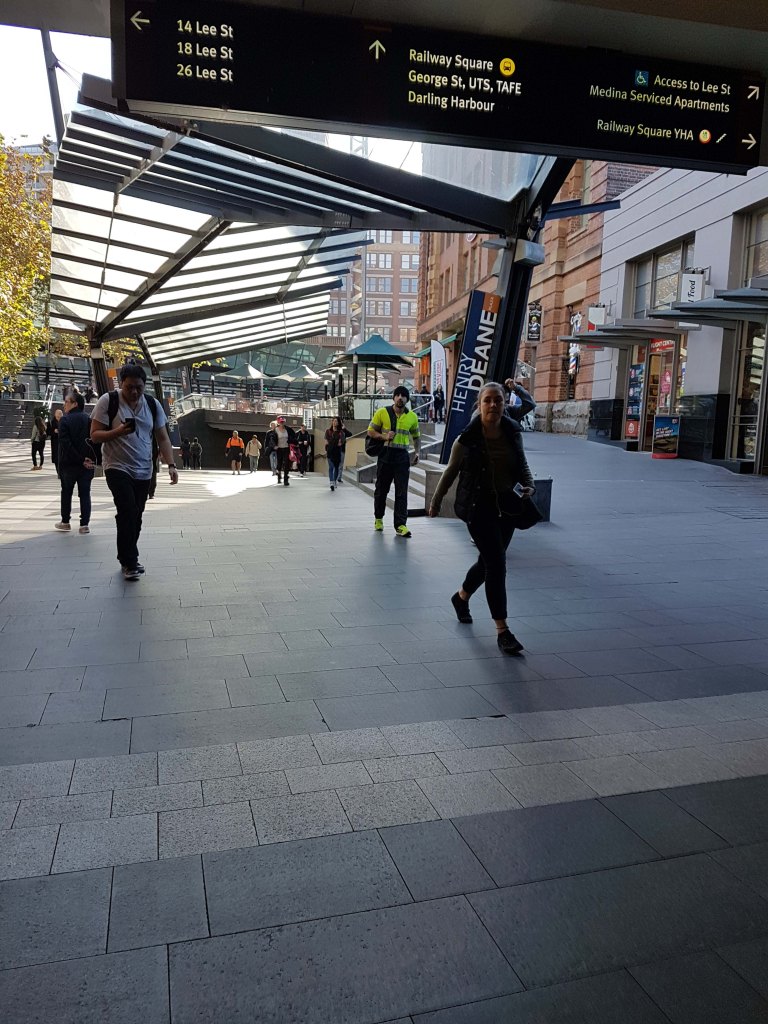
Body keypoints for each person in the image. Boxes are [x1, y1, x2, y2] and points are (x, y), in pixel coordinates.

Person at [428, 381, 535, 655]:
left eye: (498, 400)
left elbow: (522, 464)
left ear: (504, 404)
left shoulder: (512, 432)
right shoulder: (467, 438)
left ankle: (461, 597)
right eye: (488, 400)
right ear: (479, 404)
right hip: (479, 508)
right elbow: (450, 471)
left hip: (508, 507)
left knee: (488, 561)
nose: (493, 405)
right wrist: (436, 502)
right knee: (497, 564)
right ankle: (503, 630)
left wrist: (529, 485)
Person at [90, 364, 178, 581]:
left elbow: (163, 437)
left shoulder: (152, 404)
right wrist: (117, 432)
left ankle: (126, 556)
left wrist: (171, 465)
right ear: (121, 383)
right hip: (116, 466)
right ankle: (130, 561)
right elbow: (95, 435)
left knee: (136, 515)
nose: (134, 392)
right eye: (129, 387)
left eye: (139, 387)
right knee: (127, 510)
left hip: (144, 470)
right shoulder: (108, 401)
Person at [367, 385, 420, 537]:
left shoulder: (412, 417)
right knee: (381, 490)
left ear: (407, 399)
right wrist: (384, 437)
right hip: (386, 455)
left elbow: (416, 437)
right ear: (394, 397)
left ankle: (401, 525)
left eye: (403, 395)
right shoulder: (382, 412)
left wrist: (417, 452)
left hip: (402, 457)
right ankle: (378, 518)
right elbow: (370, 431)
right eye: (398, 395)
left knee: (402, 492)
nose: (400, 398)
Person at [55, 391, 95, 534]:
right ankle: (84, 524)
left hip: (69, 464)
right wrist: (88, 459)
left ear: (75, 404)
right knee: (85, 493)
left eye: (67, 402)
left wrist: (79, 459)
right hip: (87, 464)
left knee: (66, 492)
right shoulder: (89, 420)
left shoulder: (64, 420)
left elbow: (65, 444)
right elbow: (94, 441)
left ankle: (65, 522)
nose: (64, 404)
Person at [270, 416, 295, 485]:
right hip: (279, 449)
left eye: (283, 422)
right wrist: (274, 446)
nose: (282, 423)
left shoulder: (288, 429)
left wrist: (291, 441)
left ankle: (286, 479)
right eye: (281, 422)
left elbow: (293, 436)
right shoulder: (275, 430)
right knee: (279, 464)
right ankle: (279, 476)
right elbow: (272, 439)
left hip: (286, 448)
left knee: (287, 463)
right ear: (278, 422)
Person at [324, 416, 347, 491]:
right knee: (331, 467)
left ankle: (334, 481)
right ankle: (331, 482)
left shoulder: (341, 433)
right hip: (330, 451)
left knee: (336, 467)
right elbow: (326, 441)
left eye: (336, 421)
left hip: (337, 451)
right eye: (333, 421)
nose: (334, 422)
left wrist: (339, 442)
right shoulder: (328, 431)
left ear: (338, 423)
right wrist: (327, 447)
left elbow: (342, 442)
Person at [48, 408, 64, 476]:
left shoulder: (65, 421)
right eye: (58, 415)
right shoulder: (51, 423)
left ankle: (62, 472)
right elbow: (48, 432)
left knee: (63, 458)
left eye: (61, 414)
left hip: (63, 442)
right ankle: (59, 473)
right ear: (55, 415)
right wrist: (54, 432)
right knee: (56, 458)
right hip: (55, 443)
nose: (60, 416)